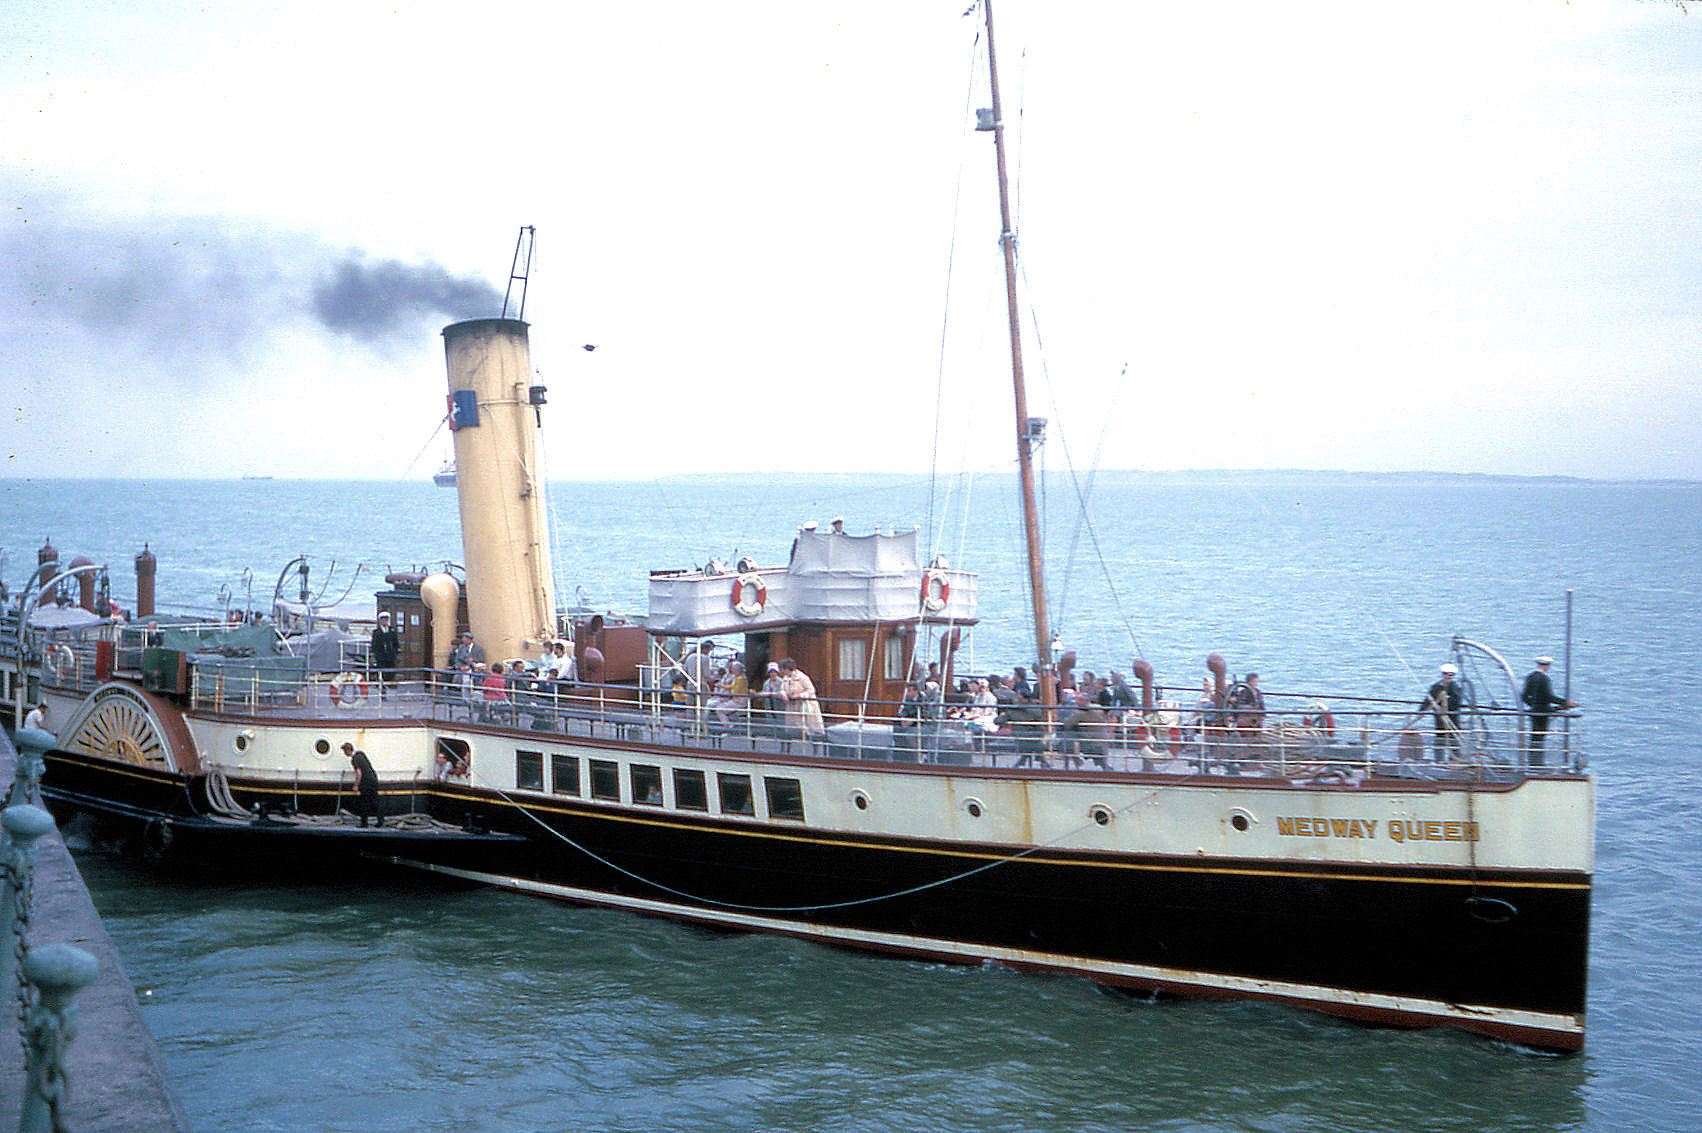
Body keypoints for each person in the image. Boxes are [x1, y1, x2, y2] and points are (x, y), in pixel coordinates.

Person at [1521, 656, 1576, 765]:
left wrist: (1534, 705)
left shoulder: (1530, 677)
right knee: (1540, 737)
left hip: (1534, 712)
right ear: (1547, 666)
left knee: (1534, 737)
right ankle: (1538, 763)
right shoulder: (1544, 679)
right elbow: (1549, 697)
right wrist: (1565, 703)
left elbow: (1524, 696)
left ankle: (1532, 762)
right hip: (1543, 713)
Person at [777, 659, 825, 740]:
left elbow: (811, 690)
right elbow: (782, 688)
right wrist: (783, 693)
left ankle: (815, 741)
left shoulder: (802, 677)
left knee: (811, 727)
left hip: (806, 706)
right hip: (792, 707)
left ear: (787, 669)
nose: (781, 671)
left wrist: (799, 695)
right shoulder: (785, 678)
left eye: (782, 669)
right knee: (794, 729)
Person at [1425, 664, 1463, 761]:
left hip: (1453, 720)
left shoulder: (1455, 688)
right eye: (1446, 674)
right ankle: (1439, 761)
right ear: (1442, 674)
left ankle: (1456, 762)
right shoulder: (1436, 687)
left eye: (1450, 675)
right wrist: (1420, 713)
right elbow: (1427, 701)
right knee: (1439, 741)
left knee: (1454, 741)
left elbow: (1456, 703)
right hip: (1439, 720)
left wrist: (1445, 700)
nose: (1448, 676)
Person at [341, 742, 382, 827]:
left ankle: (364, 823)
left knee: (363, 803)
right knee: (374, 801)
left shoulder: (354, 759)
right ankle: (380, 821)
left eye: (345, 751)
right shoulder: (361, 754)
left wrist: (356, 785)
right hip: (373, 780)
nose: (344, 754)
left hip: (366, 782)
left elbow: (359, 773)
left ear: (348, 750)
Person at [708, 660, 749, 726]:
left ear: (737, 670)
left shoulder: (741, 679)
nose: (732, 671)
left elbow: (735, 690)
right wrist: (722, 686)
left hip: (739, 701)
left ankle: (728, 726)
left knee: (719, 710)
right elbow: (732, 687)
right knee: (718, 706)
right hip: (736, 699)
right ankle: (727, 725)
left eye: (733, 669)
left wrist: (724, 690)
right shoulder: (738, 677)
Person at [369, 612, 401, 699]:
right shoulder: (376, 632)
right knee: (382, 674)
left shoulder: (392, 630)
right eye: (383, 619)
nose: (385, 621)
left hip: (390, 656)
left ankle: (387, 684)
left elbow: (396, 643)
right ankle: (383, 692)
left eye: (386, 619)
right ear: (380, 621)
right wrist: (375, 655)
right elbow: (374, 645)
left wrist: (396, 652)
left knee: (391, 673)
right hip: (381, 657)